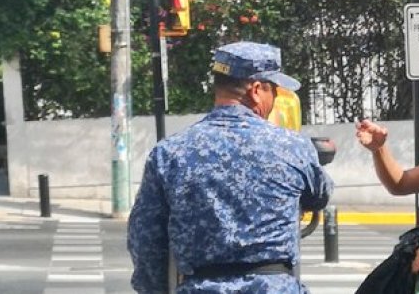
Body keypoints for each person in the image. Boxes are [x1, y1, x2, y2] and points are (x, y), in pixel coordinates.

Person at [128, 42, 332, 294]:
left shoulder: (170, 153)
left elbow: (145, 237)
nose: (276, 100)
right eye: (275, 92)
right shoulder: (293, 147)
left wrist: (157, 290)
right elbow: (320, 195)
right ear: (257, 90)